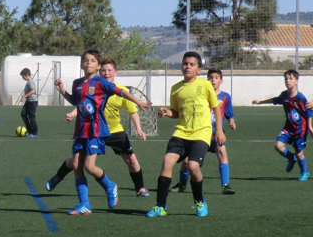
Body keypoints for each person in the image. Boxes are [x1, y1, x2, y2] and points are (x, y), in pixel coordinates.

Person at [53, 49, 152, 215]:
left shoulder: (101, 82)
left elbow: (122, 92)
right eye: (85, 60)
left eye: (92, 61)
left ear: (98, 66)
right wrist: (62, 91)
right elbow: (76, 102)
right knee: (78, 166)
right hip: (80, 130)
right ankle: (84, 204)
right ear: (81, 64)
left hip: (95, 129)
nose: (88, 63)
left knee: (89, 166)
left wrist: (138, 101)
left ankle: (110, 185)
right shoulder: (77, 83)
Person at [146, 51, 225, 218]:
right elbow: (176, 112)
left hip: (201, 134)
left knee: (192, 166)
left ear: (199, 69)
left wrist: (218, 130)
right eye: (185, 63)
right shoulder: (176, 89)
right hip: (181, 132)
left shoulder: (205, 85)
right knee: (167, 161)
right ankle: (160, 206)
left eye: (192, 64)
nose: (187, 67)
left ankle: (199, 201)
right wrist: (167, 112)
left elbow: (216, 107)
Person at [171, 68, 237, 195]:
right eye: (210, 77)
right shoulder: (203, 93)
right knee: (186, 161)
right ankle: (181, 184)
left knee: (222, 152)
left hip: (215, 134)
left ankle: (226, 185)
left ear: (221, 80)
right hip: (199, 134)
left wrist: (231, 121)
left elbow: (229, 113)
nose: (213, 80)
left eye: (216, 78)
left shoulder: (225, 97)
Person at [251, 69, 313, 181]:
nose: (288, 81)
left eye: (291, 78)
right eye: (286, 78)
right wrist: (260, 102)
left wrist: (310, 127)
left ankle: (304, 171)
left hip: (300, 130)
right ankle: (291, 158)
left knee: (299, 153)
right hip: (288, 128)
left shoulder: (300, 98)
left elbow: (309, 112)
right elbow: (275, 100)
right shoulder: (284, 95)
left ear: (297, 81)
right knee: (278, 146)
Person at [18, 68, 38, 137]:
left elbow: (33, 91)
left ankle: (34, 133)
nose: (22, 78)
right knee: (23, 114)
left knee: (31, 117)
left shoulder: (31, 82)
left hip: (32, 102)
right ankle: (29, 130)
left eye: (23, 76)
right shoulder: (28, 82)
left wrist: (24, 96)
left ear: (26, 75)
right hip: (28, 102)